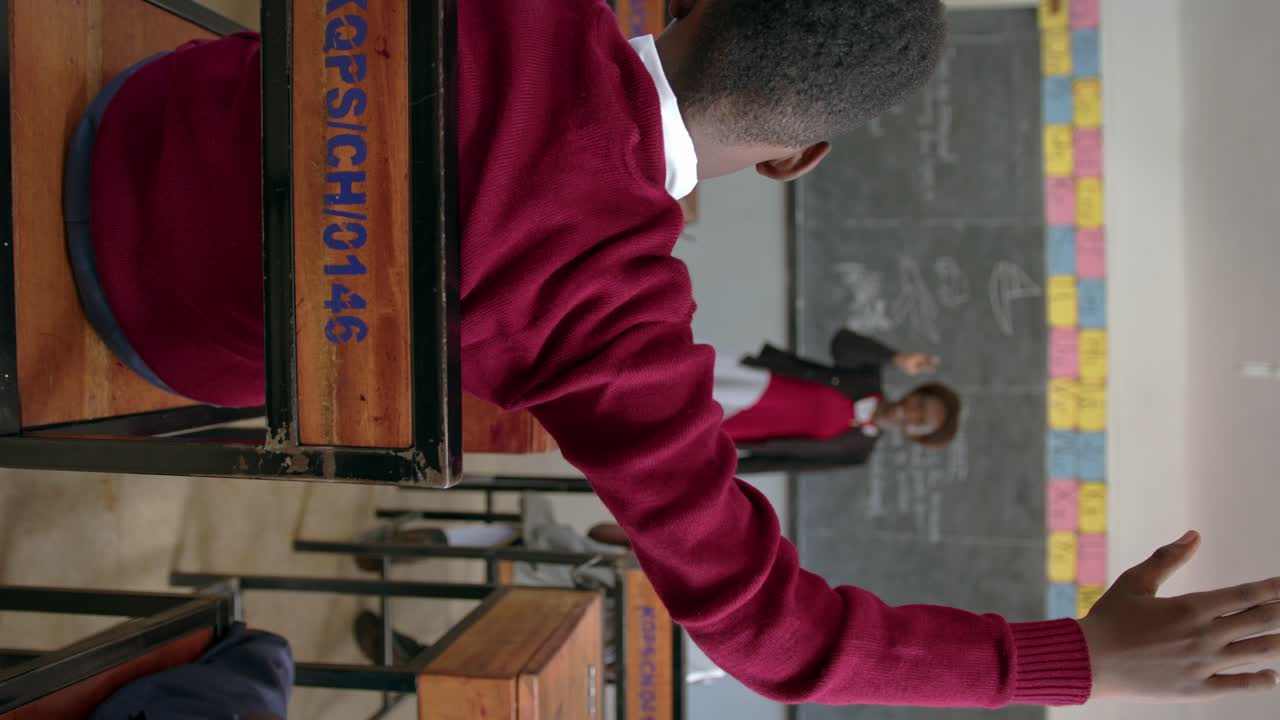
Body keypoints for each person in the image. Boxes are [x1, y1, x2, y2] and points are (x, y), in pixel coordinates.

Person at [70, 0, 1280, 709]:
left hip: (107, 108)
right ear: (802, 155)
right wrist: (1074, 659)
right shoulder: (614, 312)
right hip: (133, 330)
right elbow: (776, 634)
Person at [718, 329, 959, 473]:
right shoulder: (866, 377)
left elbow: (785, 462)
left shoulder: (856, 452)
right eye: (920, 405)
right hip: (743, 380)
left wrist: (723, 471)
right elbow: (842, 342)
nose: (912, 413)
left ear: (915, 435)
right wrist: (895, 358)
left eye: (920, 421)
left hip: (727, 430)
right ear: (915, 393)